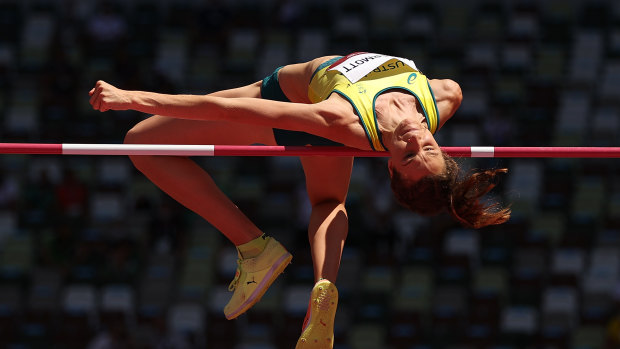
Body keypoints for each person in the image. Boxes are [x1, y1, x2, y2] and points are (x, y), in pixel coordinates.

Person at [89, 52, 510, 348]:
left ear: (389, 165)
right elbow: (447, 97)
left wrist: (133, 98)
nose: (415, 141)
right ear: (441, 145)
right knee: (328, 201)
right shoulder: (444, 96)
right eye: (427, 150)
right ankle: (324, 285)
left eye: (406, 156)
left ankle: (254, 247)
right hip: (315, 111)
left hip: (292, 104)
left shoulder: (342, 120)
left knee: (141, 143)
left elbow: (227, 112)